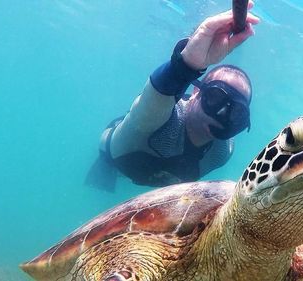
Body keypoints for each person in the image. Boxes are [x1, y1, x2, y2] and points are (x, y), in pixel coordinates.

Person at [85, 4, 260, 191]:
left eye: (236, 112)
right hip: (111, 157)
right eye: (215, 97)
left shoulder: (222, 152)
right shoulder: (164, 120)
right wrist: (187, 66)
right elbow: (155, 100)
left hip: (142, 172)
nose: (222, 114)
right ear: (196, 92)